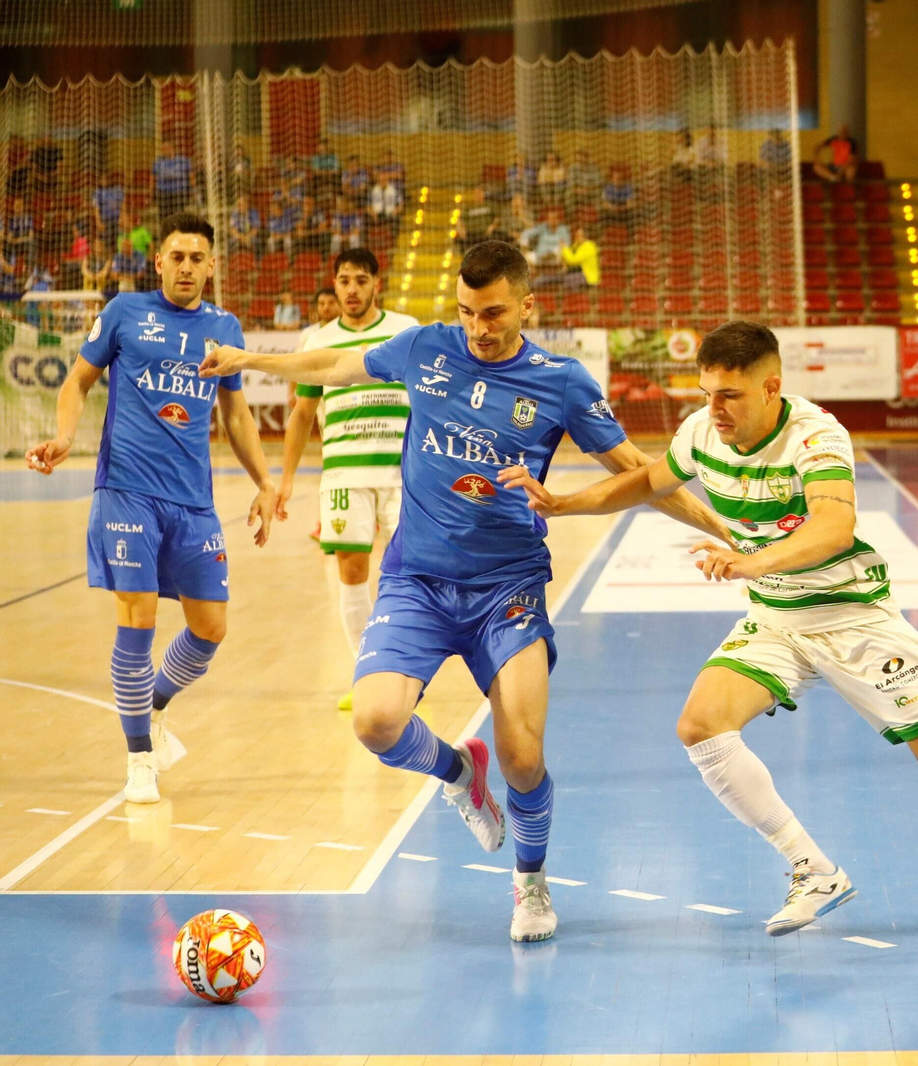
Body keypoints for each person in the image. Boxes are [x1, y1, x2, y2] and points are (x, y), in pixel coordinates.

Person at [198, 240, 729, 942]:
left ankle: (531, 883)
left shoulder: (561, 382)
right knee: (375, 723)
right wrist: (247, 360)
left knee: (524, 758)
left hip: (508, 586)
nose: (478, 327)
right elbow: (330, 366)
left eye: (494, 313)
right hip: (416, 580)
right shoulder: (424, 347)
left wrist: (728, 531)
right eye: (467, 312)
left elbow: (637, 469)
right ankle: (457, 774)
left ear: (527, 306)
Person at [503, 320, 918, 944]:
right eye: (707, 393)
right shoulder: (700, 432)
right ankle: (813, 869)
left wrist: (749, 562)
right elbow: (650, 480)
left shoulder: (815, 435)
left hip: (851, 615)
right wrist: (564, 503)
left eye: (729, 395)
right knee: (700, 725)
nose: (714, 408)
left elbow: (834, 529)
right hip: (778, 617)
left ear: (771, 388)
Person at [24, 212, 276, 804]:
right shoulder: (124, 312)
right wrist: (65, 436)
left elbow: (236, 414)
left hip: (194, 501)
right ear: (159, 262)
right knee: (137, 619)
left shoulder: (224, 328)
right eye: (176, 257)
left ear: (211, 266)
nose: (186, 267)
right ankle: (138, 757)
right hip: (126, 491)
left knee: (210, 630)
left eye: (197, 258)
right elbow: (77, 382)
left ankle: (153, 707)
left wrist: (266, 482)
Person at [278, 249, 422, 711]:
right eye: (344, 280)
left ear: (377, 283)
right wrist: (286, 478)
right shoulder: (318, 340)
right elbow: (302, 412)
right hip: (343, 474)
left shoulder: (405, 329)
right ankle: (366, 678)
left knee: (408, 576)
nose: (352, 289)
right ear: (334, 284)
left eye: (361, 280)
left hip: (403, 475)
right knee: (352, 573)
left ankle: (406, 677)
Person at [151, 142, 194, 221]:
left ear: (172, 148)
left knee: (179, 216)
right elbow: (153, 178)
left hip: (179, 192)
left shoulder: (183, 161)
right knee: (164, 217)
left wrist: (193, 189)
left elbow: (191, 176)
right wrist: (151, 192)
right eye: (162, 149)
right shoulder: (158, 162)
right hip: (163, 193)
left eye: (166, 148)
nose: (164, 151)